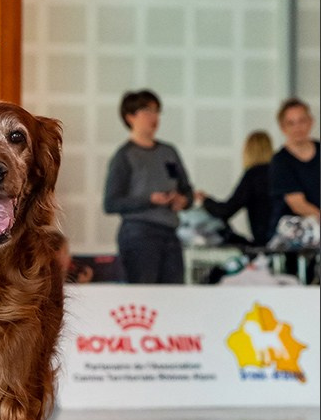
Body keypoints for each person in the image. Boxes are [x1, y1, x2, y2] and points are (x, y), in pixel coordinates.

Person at [103, 89, 193, 284]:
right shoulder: (124, 156)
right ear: (130, 117)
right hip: (139, 234)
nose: (154, 117)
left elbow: (187, 189)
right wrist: (149, 200)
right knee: (145, 292)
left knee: (174, 295)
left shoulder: (169, 152)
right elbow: (111, 203)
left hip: (170, 233)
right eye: (147, 111)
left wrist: (183, 200)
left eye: (156, 111)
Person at [194, 130, 274, 248]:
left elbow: (226, 210)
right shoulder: (279, 173)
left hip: (264, 242)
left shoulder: (253, 175)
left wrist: (205, 200)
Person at [267, 98, 320, 241]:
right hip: (291, 238)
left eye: (302, 121)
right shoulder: (280, 161)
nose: (298, 127)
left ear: (311, 121)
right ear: (283, 127)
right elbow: (297, 204)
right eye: (291, 123)